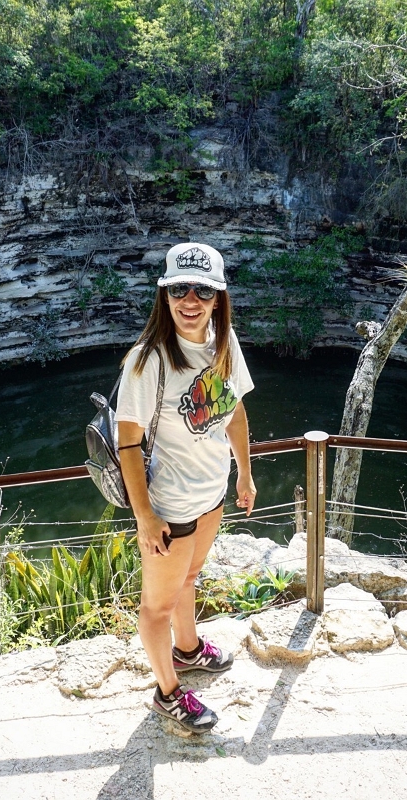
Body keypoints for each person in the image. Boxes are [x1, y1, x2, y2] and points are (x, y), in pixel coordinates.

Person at [116, 242, 256, 734]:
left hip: (212, 491)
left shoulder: (223, 341)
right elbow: (128, 444)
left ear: (218, 298)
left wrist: (245, 473)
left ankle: (189, 648)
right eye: (179, 289)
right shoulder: (147, 360)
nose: (190, 300)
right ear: (165, 295)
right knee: (157, 606)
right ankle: (168, 691)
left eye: (202, 290)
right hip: (170, 503)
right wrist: (145, 516)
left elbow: (234, 412)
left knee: (189, 577)